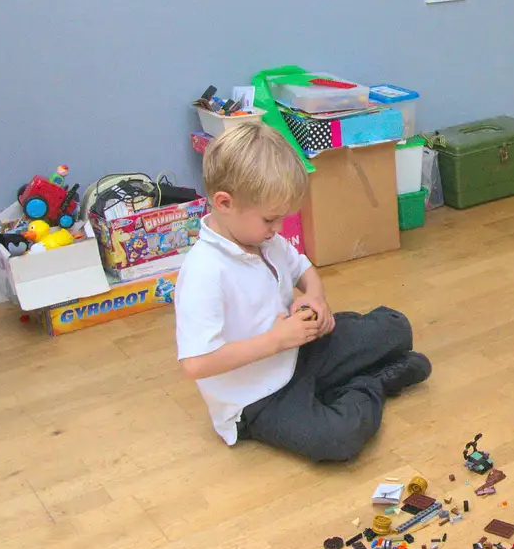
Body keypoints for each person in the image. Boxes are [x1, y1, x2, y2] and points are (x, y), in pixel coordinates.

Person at [174, 122, 430, 460]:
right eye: (270, 220)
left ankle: (342, 381)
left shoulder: (263, 239)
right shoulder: (203, 271)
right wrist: (276, 340)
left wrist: (314, 298)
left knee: (397, 328)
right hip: (259, 398)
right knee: (339, 438)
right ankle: (374, 382)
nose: (278, 230)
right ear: (224, 202)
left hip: (299, 351)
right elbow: (195, 364)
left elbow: (304, 270)